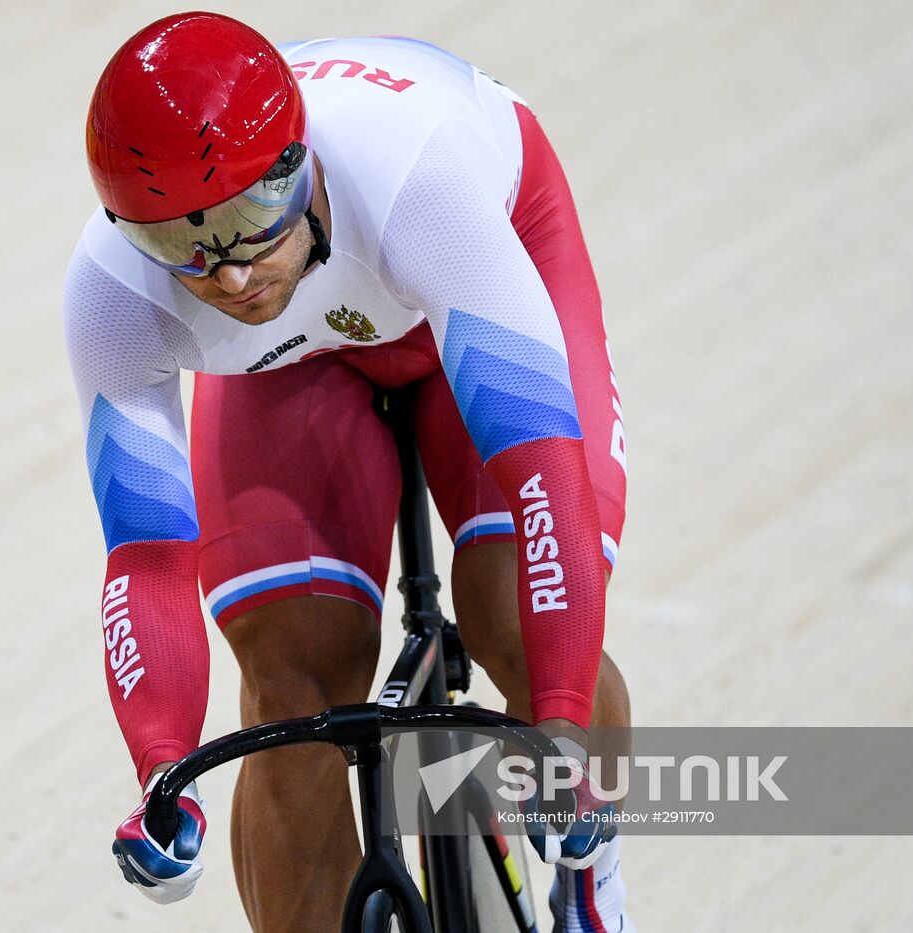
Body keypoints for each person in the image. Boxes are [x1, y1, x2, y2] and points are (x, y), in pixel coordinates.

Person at [64, 12, 633, 932]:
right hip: (294, 357)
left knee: (507, 609)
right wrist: (161, 771)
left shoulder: (419, 184)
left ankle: (594, 899)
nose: (231, 276)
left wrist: (564, 725)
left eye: (253, 218)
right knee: (291, 691)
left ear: (302, 166)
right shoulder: (113, 293)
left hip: (475, 267)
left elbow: (542, 471)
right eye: (180, 246)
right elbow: (147, 554)